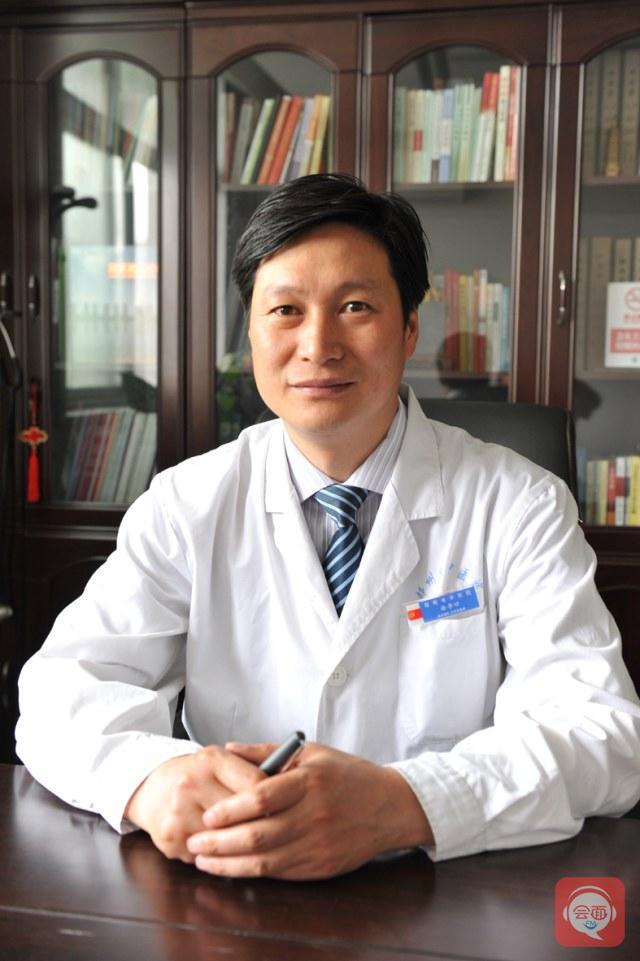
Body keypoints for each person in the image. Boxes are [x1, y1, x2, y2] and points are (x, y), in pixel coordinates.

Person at [16, 174, 640, 879]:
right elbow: (61, 690)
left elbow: (602, 733)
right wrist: (149, 779)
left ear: (410, 328)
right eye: (285, 310)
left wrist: (405, 803)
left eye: (355, 307)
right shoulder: (186, 503)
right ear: (251, 332)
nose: (318, 344)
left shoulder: (520, 503)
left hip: (449, 886)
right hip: (230, 878)